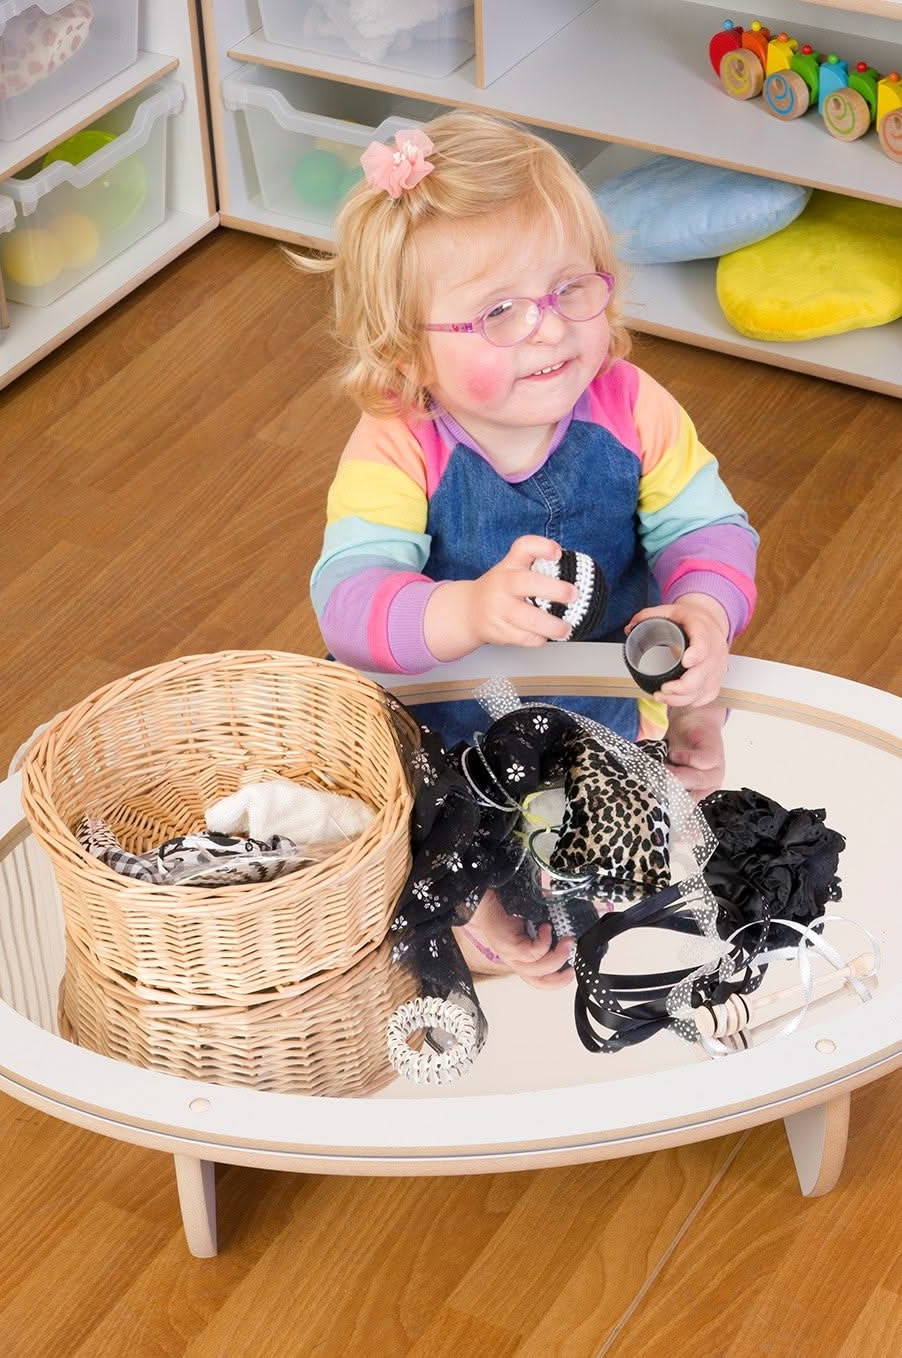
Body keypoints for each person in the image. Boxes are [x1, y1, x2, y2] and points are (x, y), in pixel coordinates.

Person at [304, 110, 757, 987]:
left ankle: (597, 849)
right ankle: (463, 901)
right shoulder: (399, 441)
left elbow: (709, 530)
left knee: (627, 858)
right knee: (415, 807)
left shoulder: (631, 405)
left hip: (600, 704)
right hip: (447, 723)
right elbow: (349, 602)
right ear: (409, 347)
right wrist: (465, 607)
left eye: (571, 291)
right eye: (499, 313)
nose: (549, 329)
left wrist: (703, 611)